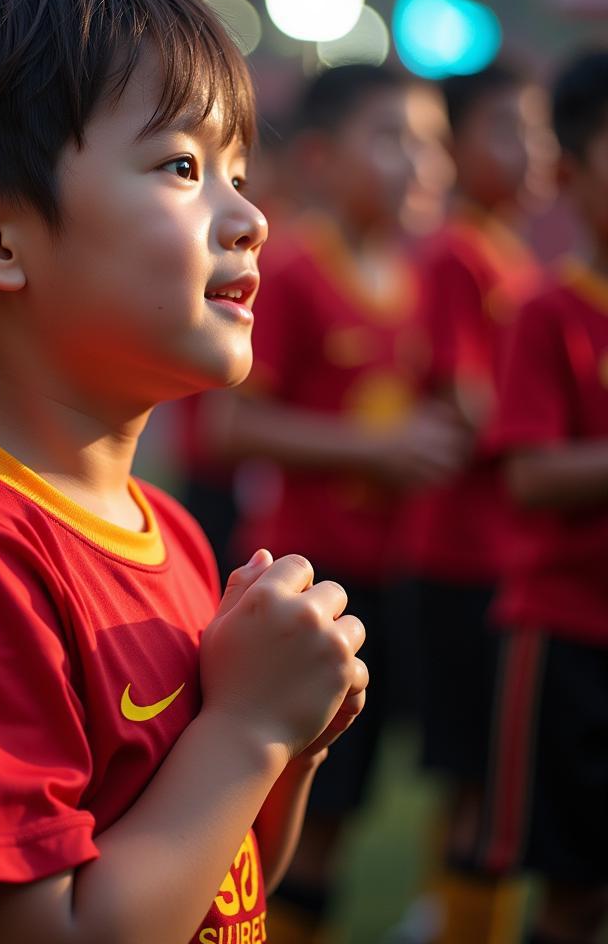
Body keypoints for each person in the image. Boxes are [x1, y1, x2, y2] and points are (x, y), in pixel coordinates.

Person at [0, 0, 370, 944]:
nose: (249, 219)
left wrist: (292, 740)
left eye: (239, 172)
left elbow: (221, 882)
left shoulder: (175, 534)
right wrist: (246, 729)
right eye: (183, 167)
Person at [213, 65, 470, 944]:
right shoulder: (292, 268)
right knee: (292, 814)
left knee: (352, 807)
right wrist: (378, 449)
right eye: (394, 140)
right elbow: (233, 421)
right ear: (321, 160)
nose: (423, 165)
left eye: (433, 143)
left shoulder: (423, 276)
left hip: (391, 576)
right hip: (308, 579)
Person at [400, 62, 555, 944]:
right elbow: (470, 404)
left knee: (488, 781)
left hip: (497, 554)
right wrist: (554, 436)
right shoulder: (460, 251)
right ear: (457, 146)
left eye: (535, 131)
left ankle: (448, 918)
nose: (528, 150)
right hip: (461, 557)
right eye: (506, 129)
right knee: (479, 781)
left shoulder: (513, 252)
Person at [469, 49, 608, 944]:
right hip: (566, 641)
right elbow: (529, 473)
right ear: (567, 172)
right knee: (570, 890)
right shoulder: (548, 311)